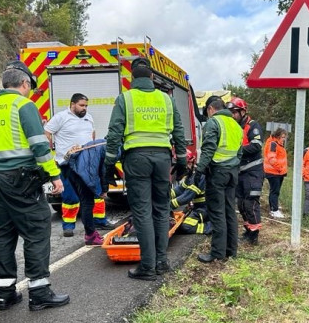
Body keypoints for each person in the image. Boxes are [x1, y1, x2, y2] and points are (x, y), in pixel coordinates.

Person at [0, 61, 69, 311]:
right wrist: (54, 175)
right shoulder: (24, 105)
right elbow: (39, 145)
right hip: (22, 177)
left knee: (6, 233)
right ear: (25, 84)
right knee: (37, 229)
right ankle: (39, 292)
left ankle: (4, 294)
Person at [104, 57, 188, 280]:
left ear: (132, 78)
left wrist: (109, 164)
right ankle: (161, 262)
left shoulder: (125, 99)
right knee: (161, 210)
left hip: (136, 159)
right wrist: (181, 161)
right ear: (152, 77)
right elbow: (178, 131)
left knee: (142, 212)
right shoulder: (166, 100)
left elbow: (114, 135)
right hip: (162, 158)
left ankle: (147, 266)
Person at [44, 93, 104, 245]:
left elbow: (92, 134)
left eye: (86, 105)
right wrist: (49, 147)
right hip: (68, 163)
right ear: (72, 104)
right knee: (70, 197)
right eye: (81, 105)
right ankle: (69, 226)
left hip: (86, 163)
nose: (84, 108)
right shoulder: (61, 117)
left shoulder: (88, 117)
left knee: (90, 196)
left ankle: (96, 225)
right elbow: (47, 132)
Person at [196, 96, 243, 263]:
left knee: (217, 213)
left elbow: (208, 149)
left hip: (217, 173)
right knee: (229, 211)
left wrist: (199, 169)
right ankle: (231, 251)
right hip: (232, 173)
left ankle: (217, 253)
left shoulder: (213, 122)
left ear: (210, 109)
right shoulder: (236, 125)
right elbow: (239, 152)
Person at [228, 97, 264, 245]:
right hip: (240, 172)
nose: (232, 115)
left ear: (243, 112)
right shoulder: (233, 127)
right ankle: (248, 230)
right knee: (241, 203)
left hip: (253, 173)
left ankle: (254, 235)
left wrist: (237, 151)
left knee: (250, 203)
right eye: (230, 112)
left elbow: (256, 145)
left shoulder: (252, 126)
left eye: (234, 112)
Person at [264, 127, 288, 218]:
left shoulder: (277, 144)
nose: (284, 139)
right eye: (282, 137)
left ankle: (274, 207)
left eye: (284, 137)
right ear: (277, 136)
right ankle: (274, 210)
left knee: (274, 191)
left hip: (278, 172)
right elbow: (271, 158)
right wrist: (280, 168)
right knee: (275, 191)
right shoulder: (273, 144)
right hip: (274, 172)